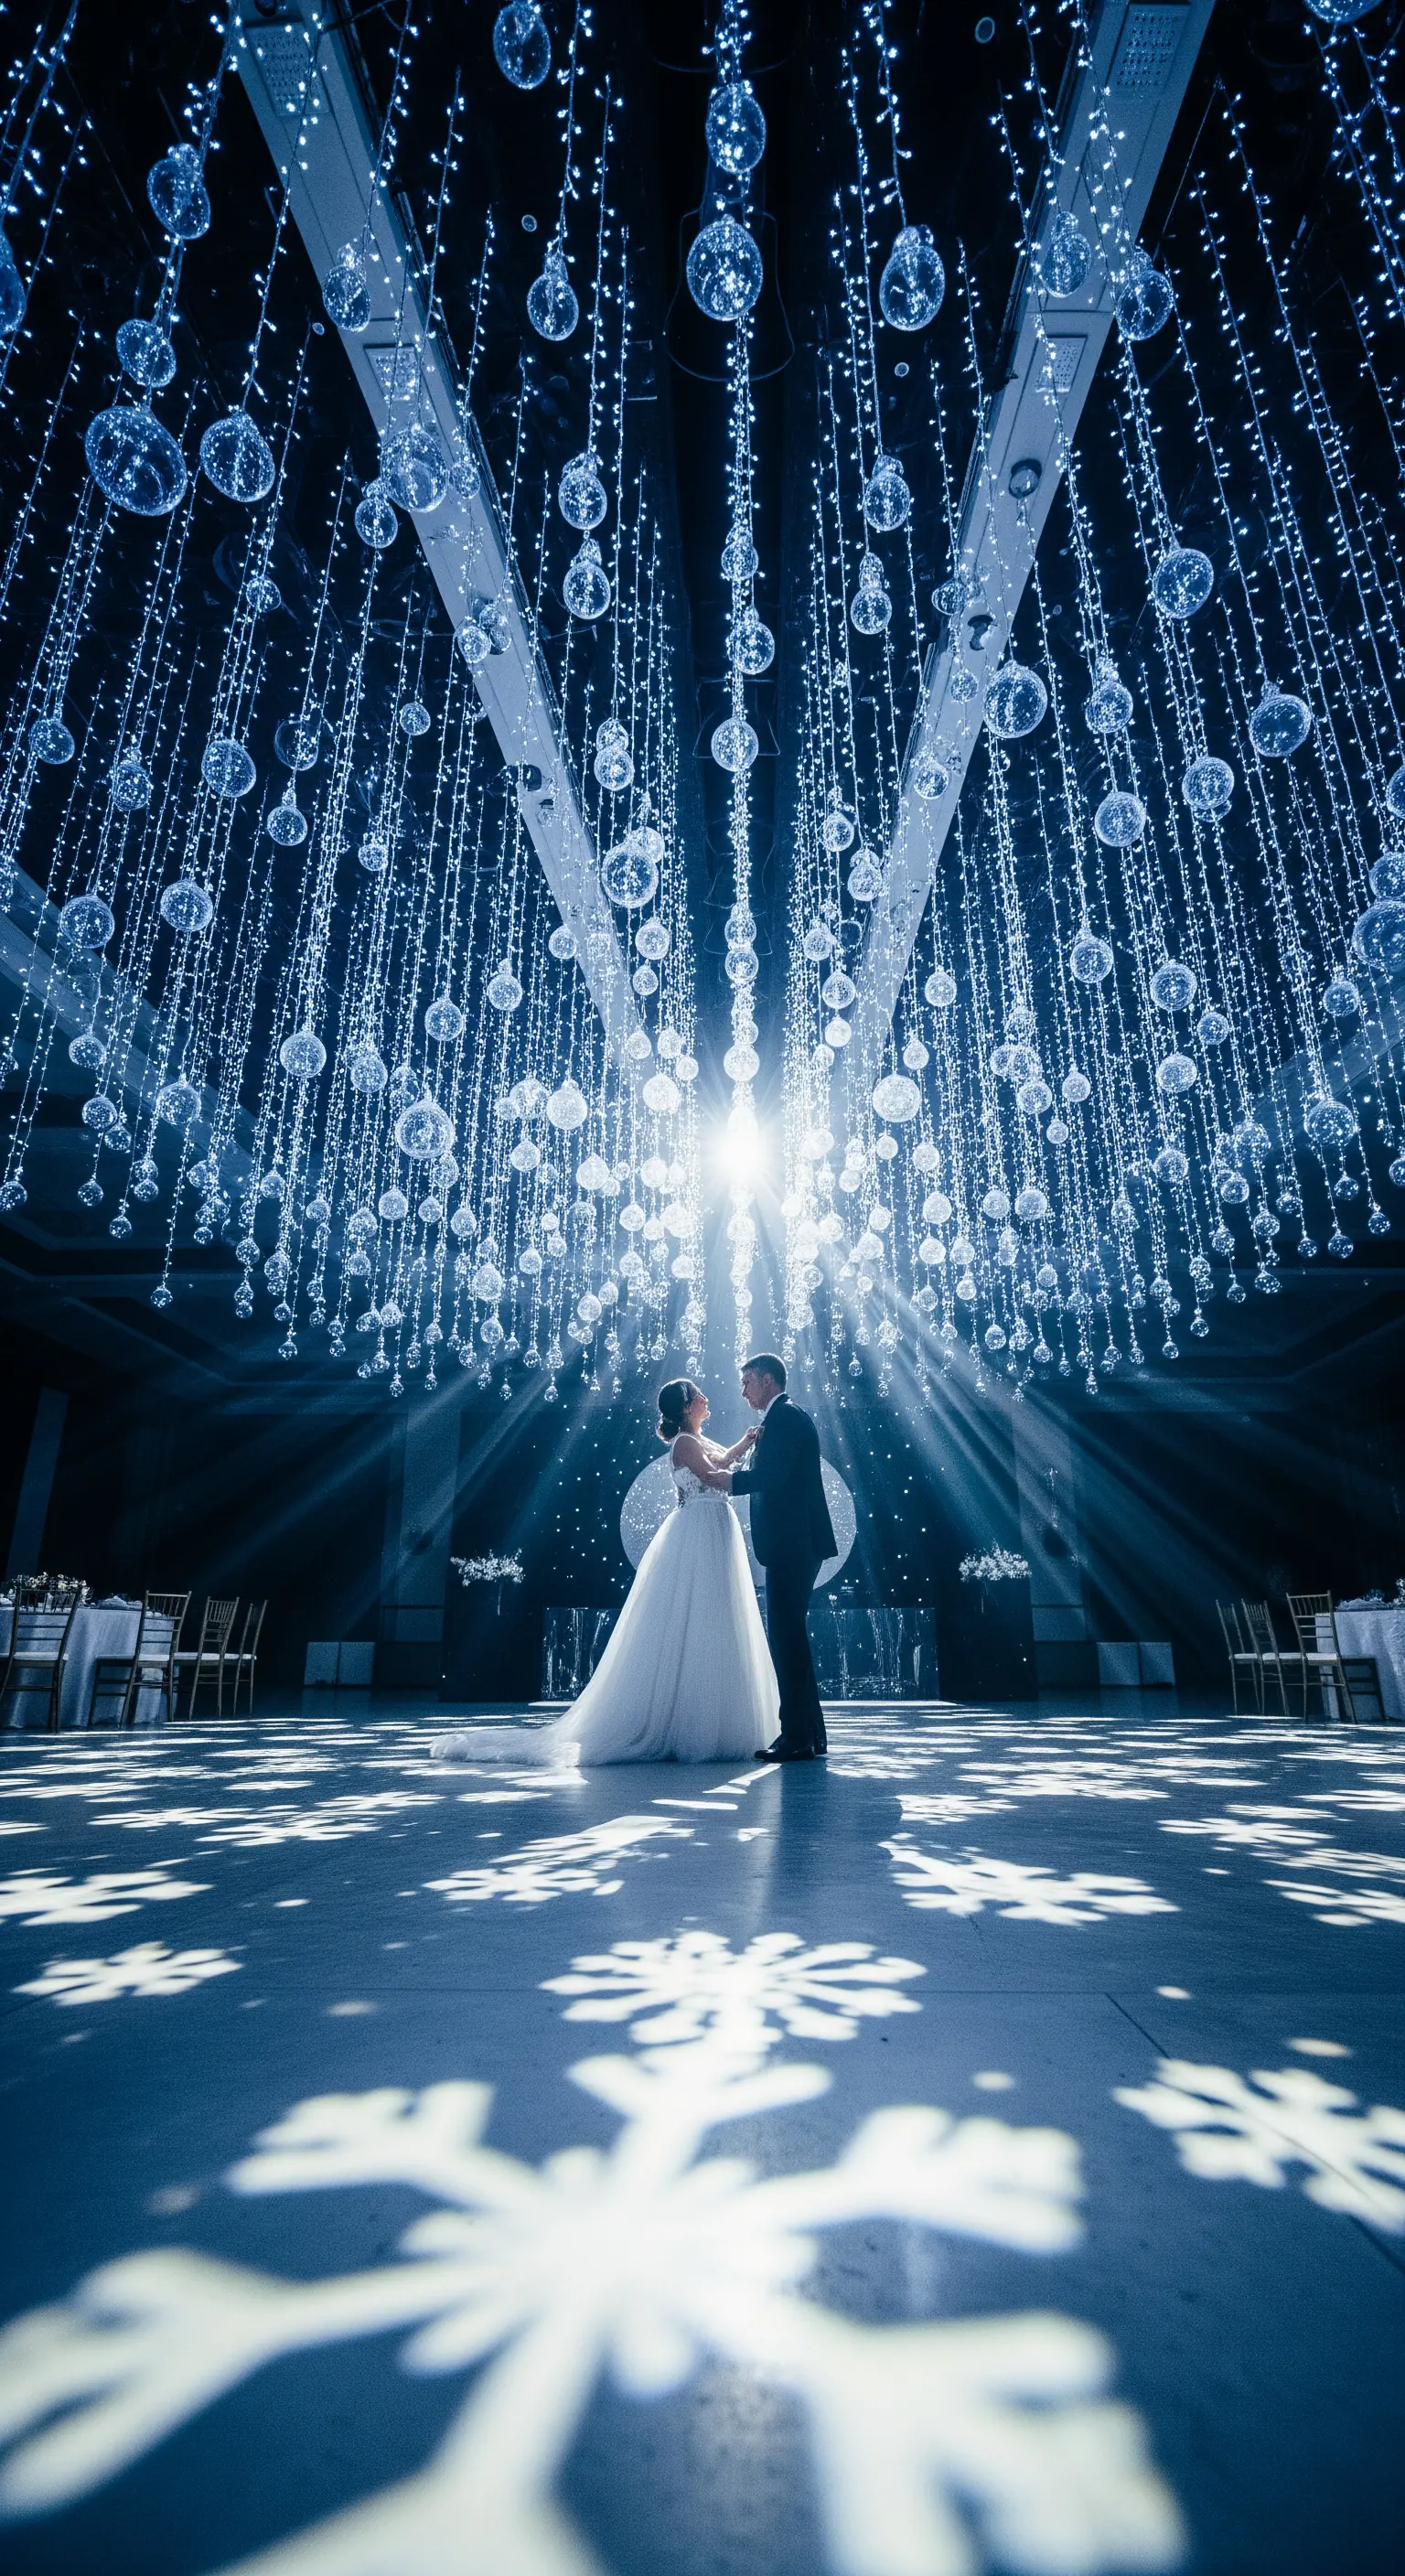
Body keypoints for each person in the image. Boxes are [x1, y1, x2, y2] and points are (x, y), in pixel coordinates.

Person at [434, 1379, 778, 1766]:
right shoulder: (684, 1442)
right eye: (698, 1395)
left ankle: (718, 1718)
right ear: (686, 1407)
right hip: (699, 1530)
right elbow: (714, 1474)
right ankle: (688, 1722)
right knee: (696, 1614)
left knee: (717, 1616)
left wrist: (747, 1441)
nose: (705, 1398)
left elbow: (723, 1460)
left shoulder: (697, 1439)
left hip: (715, 1527)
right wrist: (747, 1458)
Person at [730, 1352, 836, 1762]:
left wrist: (728, 1480)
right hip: (793, 1544)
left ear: (767, 1380)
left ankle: (796, 1737)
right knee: (791, 1638)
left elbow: (773, 1477)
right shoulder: (780, 1418)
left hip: (794, 1544)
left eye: (747, 1382)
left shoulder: (786, 1418)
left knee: (787, 1640)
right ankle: (810, 1734)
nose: (743, 1391)